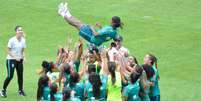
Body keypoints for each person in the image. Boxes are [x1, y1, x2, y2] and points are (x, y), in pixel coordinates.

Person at [58, 2, 123, 46]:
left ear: (113, 23)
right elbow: (106, 35)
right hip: (96, 40)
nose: (110, 21)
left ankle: (62, 13)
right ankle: (66, 12)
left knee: (75, 24)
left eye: (111, 20)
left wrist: (92, 28)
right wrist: (101, 27)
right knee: (78, 23)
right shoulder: (114, 31)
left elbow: (96, 34)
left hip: (91, 37)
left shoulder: (110, 29)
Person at [0, 26, 26, 97]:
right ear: (16, 32)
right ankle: (3, 90)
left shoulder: (23, 40)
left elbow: (23, 50)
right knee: (10, 76)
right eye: (18, 30)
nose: (20, 31)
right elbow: (7, 50)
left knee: (20, 75)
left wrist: (24, 57)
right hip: (11, 60)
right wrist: (15, 57)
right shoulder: (12, 40)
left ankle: (20, 90)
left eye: (21, 30)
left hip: (19, 60)